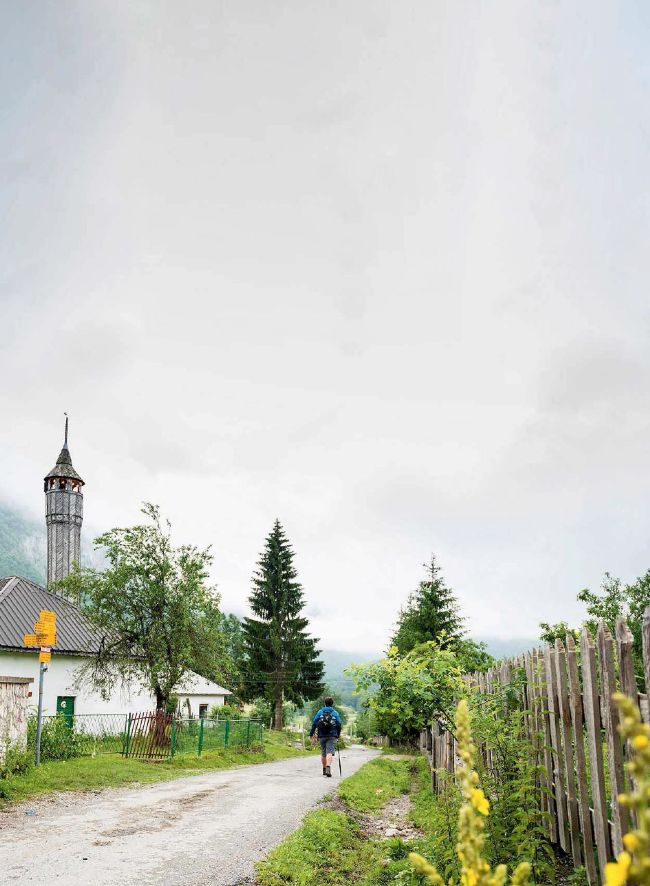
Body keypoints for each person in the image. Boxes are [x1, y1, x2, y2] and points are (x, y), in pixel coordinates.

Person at [309, 695, 342, 777]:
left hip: (322, 735)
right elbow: (339, 724)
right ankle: (328, 768)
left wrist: (311, 733)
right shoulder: (335, 713)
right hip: (332, 735)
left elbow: (314, 723)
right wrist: (338, 734)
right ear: (332, 704)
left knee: (323, 753)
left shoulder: (320, 712)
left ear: (324, 703)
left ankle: (324, 769)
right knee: (329, 752)